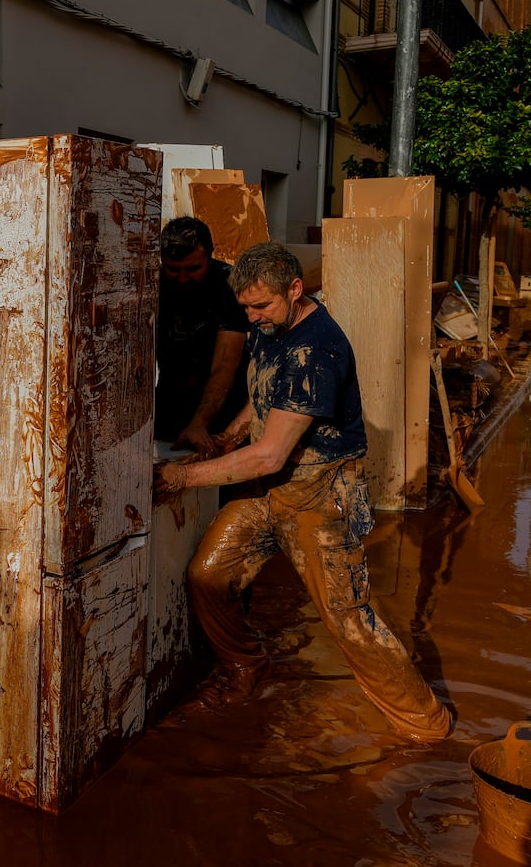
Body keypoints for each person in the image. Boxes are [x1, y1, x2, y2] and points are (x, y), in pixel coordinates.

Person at [152, 242, 454, 742]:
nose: (251, 318)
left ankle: (426, 727)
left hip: (320, 492)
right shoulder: (271, 326)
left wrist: (179, 477)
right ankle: (248, 668)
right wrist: (227, 436)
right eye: (245, 308)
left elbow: (270, 453)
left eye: (261, 306)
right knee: (208, 574)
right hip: (269, 490)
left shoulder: (317, 349)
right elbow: (266, 391)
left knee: (347, 621)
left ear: (295, 290)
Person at [155, 217, 249, 455]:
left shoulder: (229, 285)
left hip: (223, 406)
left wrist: (200, 423)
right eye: (173, 269)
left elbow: (225, 364)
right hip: (170, 400)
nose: (183, 278)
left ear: (209, 255)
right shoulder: (151, 284)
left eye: (193, 269)